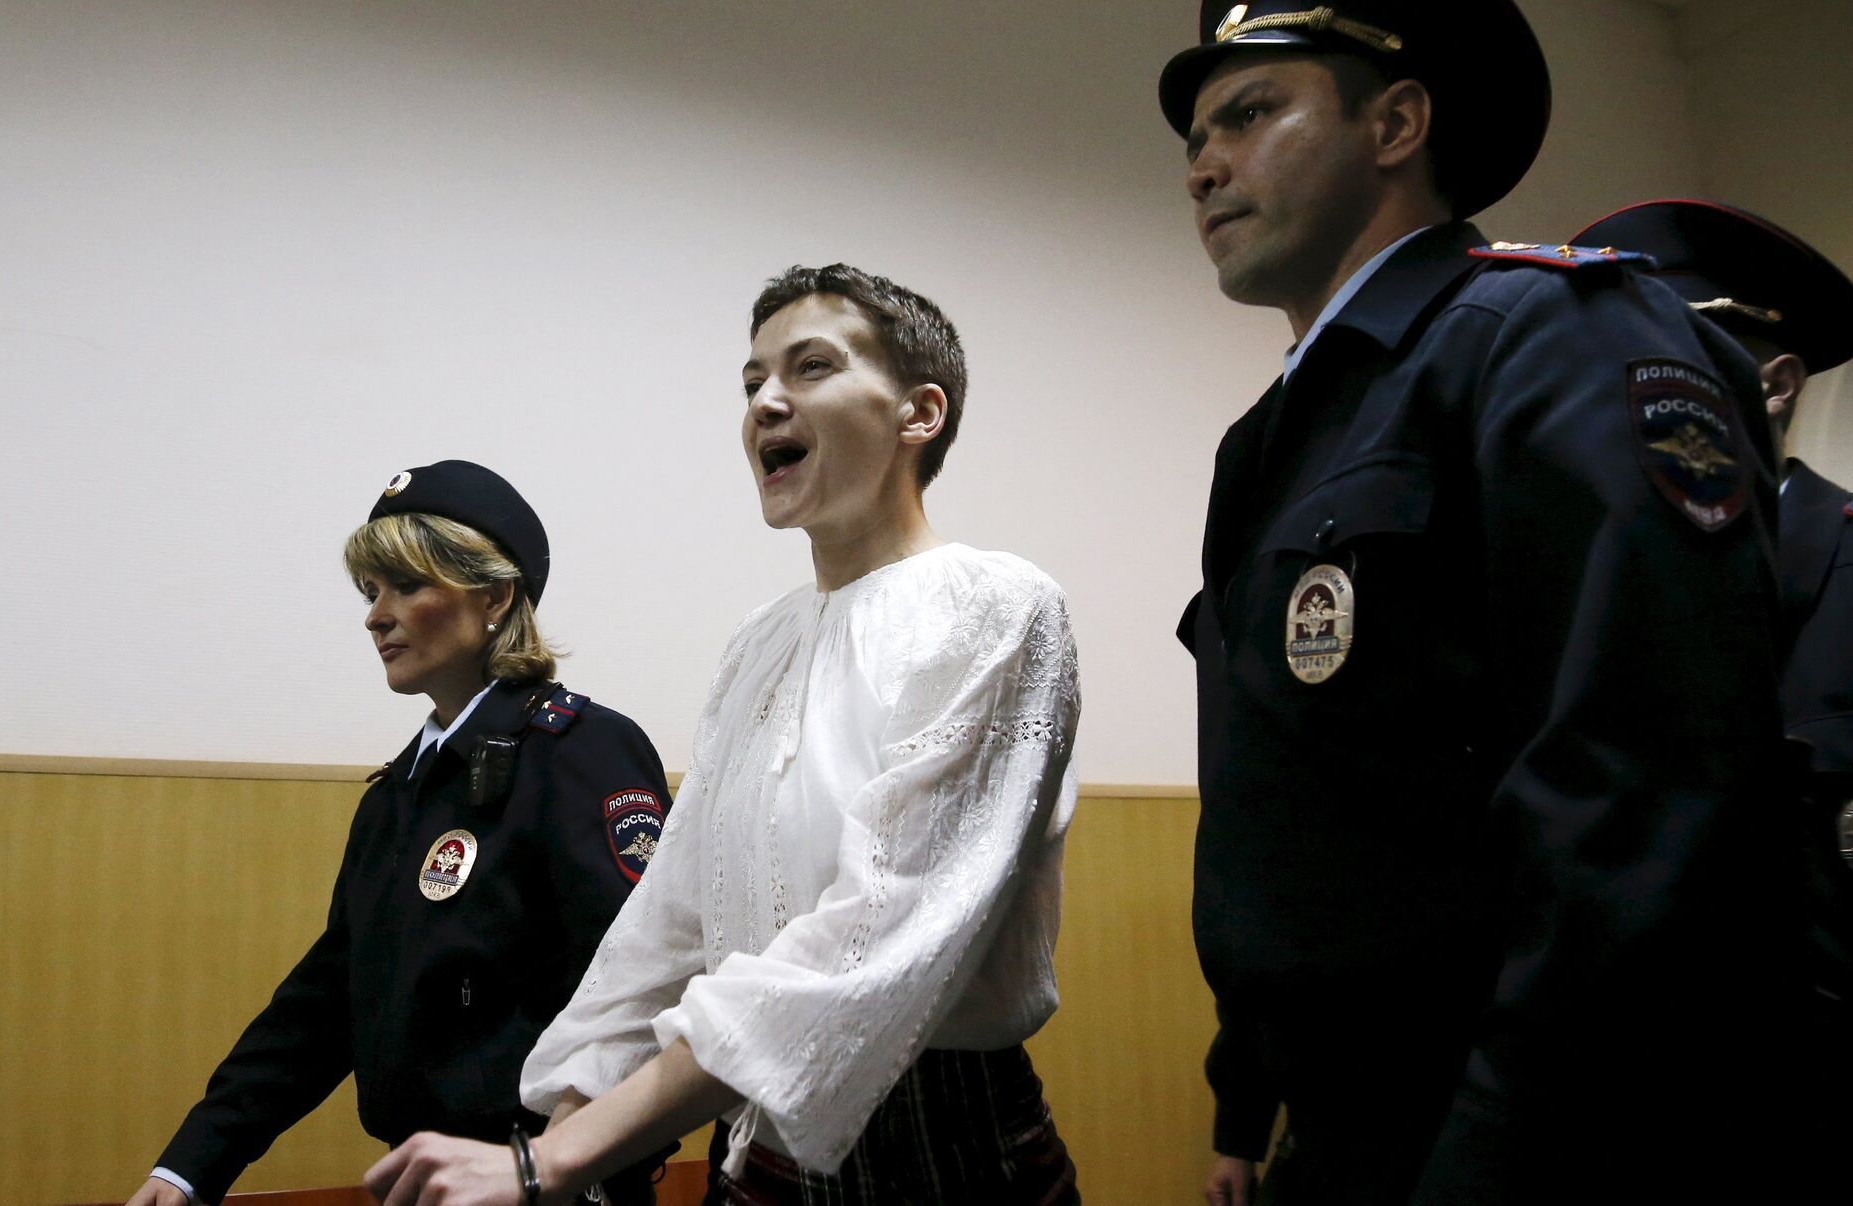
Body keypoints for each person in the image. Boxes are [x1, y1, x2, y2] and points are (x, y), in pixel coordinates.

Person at [1156, 4, 1795, 1203]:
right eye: (1195, 139)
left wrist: (1502, 1141)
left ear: (1396, 124)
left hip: (1522, 1126)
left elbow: (1643, 778)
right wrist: (1248, 1090)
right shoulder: (1274, 435)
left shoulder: (1553, 334)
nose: (1202, 166)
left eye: (1249, 114)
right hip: (1339, 1120)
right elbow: (1280, 792)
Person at [363, 265, 1082, 1205]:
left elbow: (872, 937)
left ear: (920, 413)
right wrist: (559, 1138)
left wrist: (552, 1164)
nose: (765, 403)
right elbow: (669, 926)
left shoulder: (999, 606)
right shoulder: (760, 643)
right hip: (752, 1156)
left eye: (811, 367)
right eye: (752, 383)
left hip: (949, 1156)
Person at [127, 460, 672, 1206]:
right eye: (370, 592)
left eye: (407, 586)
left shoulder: (580, 750)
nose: (376, 616)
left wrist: (563, 1166)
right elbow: (325, 1001)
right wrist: (189, 1167)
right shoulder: (398, 793)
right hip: (421, 1180)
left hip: (546, 1179)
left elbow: (640, 983)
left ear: (494, 596)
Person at [1572, 196, 1853, 1173]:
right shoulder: (1595, 562)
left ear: (1775, 384)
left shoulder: (1845, 560)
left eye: (1672, 355)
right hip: (1619, 1063)